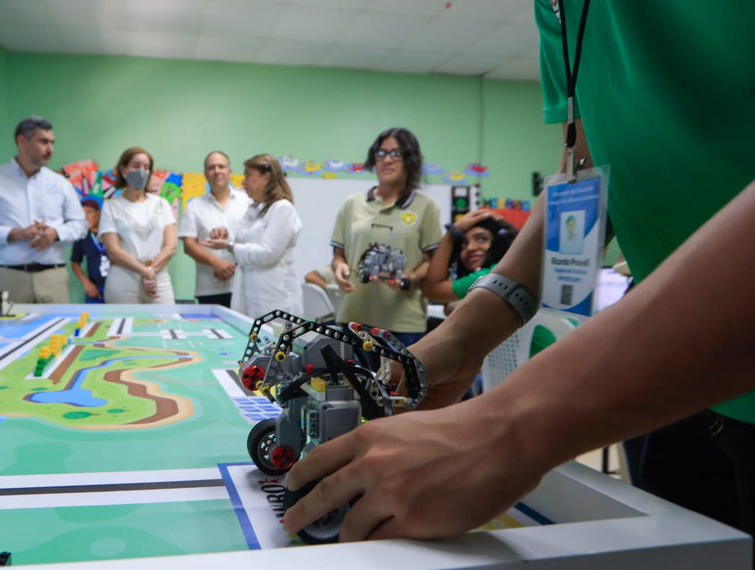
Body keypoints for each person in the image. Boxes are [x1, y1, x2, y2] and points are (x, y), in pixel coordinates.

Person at [283, 0, 755, 548]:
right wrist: (464, 337)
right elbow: (581, 173)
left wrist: (507, 427)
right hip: (674, 376)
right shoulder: (562, 9)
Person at [330, 128, 441, 350]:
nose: (387, 160)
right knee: (353, 384)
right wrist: (339, 268)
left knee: (398, 386)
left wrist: (410, 276)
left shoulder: (425, 207)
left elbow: (431, 261)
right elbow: (339, 255)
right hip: (355, 318)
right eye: (381, 153)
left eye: (396, 154)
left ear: (410, 161)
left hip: (403, 324)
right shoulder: (352, 204)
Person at [0, 117, 87, 304]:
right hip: (9, 277)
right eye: (43, 142)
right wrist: (14, 234)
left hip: (54, 277)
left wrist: (56, 233)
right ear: (22, 141)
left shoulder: (60, 183)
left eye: (51, 142)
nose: (50, 149)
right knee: (9, 333)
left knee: (58, 332)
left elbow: (81, 224)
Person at [200, 154, 302, 318]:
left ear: (266, 178)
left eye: (248, 175)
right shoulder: (255, 209)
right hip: (250, 295)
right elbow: (243, 245)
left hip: (276, 297)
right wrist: (226, 238)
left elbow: (267, 253)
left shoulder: (282, 208)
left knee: (273, 341)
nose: (243, 182)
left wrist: (229, 246)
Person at [98, 147, 177, 305]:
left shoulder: (162, 204)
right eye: (136, 166)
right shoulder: (111, 207)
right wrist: (145, 273)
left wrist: (151, 272)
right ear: (123, 169)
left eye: (146, 167)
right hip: (123, 279)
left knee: (164, 325)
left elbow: (171, 246)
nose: (141, 171)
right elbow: (113, 251)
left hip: (158, 278)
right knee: (122, 328)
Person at [179, 151, 249, 307]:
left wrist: (232, 266)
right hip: (209, 288)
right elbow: (189, 246)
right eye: (212, 167)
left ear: (229, 172)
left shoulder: (247, 201)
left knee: (248, 330)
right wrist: (216, 263)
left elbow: (256, 239)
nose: (217, 171)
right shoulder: (194, 206)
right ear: (205, 174)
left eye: (221, 166)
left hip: (245, 284)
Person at [421, 209, 518, 307]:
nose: (470, 248)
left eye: (481, 239)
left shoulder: (490, 276)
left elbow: (431, 290)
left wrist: (451, 234)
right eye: (464, 244)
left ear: (501, 241)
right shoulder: (510, 269)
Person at [71, 196, 108, 304]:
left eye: (89, 212)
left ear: (99, 213)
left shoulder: (111, 232)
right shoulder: (83, 236)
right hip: (95, 290)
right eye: (82, 214)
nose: (86, 217)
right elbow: (75, 262)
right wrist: (87, 283)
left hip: (117, 287)